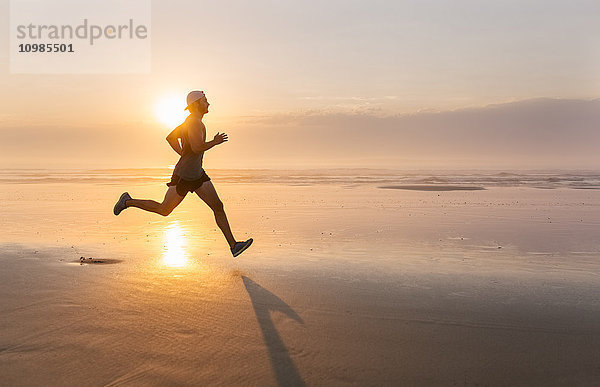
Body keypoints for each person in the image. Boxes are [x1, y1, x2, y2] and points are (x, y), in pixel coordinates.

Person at [113, 90, 253, 258]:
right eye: (205, 101)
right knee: (164, 210)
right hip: (184, 176)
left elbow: (170, 138)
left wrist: (183, 154)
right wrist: (214, 143)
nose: (208, 103)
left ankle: (234, 246)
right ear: (196, 105)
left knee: (218, 207)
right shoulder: (194, 122)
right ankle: (127, 201)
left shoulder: (192, 121)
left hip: (197, 174)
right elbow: (197, 147)